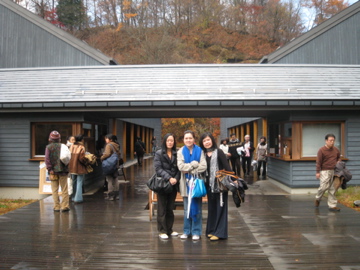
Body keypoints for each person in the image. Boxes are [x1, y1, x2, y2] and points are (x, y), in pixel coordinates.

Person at [199, 132, 233, 241]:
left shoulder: (219, 152)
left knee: (221, 208)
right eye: (204, 141)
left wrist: (234, 180)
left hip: (220, 185)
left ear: (212, 140)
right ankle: (211, 230)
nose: (207, 142)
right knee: (212, 208)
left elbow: (227, 167)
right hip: (208, 185)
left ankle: (220, 233)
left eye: (208, 140)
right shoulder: (202, 154)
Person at [177, 130, 207, 241]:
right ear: (183, 140)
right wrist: (194, 164)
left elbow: (203, 166)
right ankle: (186, 231)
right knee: (186, 209)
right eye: (186, 138)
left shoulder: (200, 151)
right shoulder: (180, 151)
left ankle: (196, 231)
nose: (188, 140)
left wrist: (189, 169)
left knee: (197, 208)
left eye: (190, 138)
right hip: (185, 184)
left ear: (194, 139)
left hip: (196, 184)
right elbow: (180, 167)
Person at [153, 133, 180, 239]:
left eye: (172, 141)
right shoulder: (159, 153)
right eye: (168, 140)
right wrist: (169, 178)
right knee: (161, 207)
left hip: (173, 184)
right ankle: (162, 230)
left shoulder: (176, 153)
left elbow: (179, 168)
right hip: (163, 184)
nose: (170, 142)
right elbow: (158, 169)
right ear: (165, 141)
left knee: (170, 207)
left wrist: (176, 179)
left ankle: (169, 229)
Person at [315, 134, 341, 211]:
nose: (332, 142)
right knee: (323, 187)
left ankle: (332, 205)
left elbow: (339, 157)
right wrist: (317, 172)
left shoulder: (336, 150)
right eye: (330, 140)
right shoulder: (321, 150)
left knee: (333, 188)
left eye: (333, 140)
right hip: (324, 171)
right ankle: (318, 198)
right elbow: (318, 161)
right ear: (326, 141)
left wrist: (339, 162)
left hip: (335, 171)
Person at [45, 130, 70, 212]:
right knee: (64, 189)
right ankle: (65, 206)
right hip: (63, 170)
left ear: (50, 139)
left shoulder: (48, 147)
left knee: (54, 190)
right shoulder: (63, 146)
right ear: (59, 139)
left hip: (53, 172)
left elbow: (47, 159)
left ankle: (56, 206)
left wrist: (50, 169)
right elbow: (68, 157)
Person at [101, 134, 121, 201]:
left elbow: (107, 154)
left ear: (110, 139)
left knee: (109, 180)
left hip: (109, 164)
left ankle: (111, 195)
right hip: (115, 164)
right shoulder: (117, 145)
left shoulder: (109, 145)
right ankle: (117, 195)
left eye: (106, 138)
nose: (105, 140)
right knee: (115, 179)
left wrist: (101, 158)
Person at [69, 134, 88, 204]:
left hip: (71, 167)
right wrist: (86, 162)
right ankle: (78, 198)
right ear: (82, 139)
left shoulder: (71, 146)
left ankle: (73, 197)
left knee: (73, 182)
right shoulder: (81, 147)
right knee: (79, 182)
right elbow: (81, 158)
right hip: (79, 167)